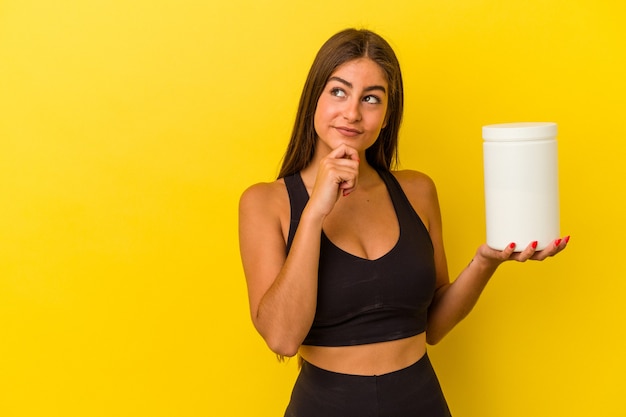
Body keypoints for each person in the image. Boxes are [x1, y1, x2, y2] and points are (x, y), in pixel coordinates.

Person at [238, 28, 569, 417]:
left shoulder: (417, 191)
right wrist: (315, 212)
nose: (352, 113)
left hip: (421, 401)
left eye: (371, 98)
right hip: (326, 406)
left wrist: (486, 261)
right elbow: (281, 338)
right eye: (339, 91)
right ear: (315, 97)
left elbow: (433, 328)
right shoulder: (266, 202)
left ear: (386, 114)